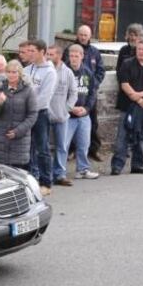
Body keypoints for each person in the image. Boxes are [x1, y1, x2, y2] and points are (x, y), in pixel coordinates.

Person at [0, 60, 40, 179]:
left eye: (14, 72)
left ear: (20, 73)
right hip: (1, 140)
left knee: (18, 177)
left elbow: (33, 115)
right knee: (1, 178)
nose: (11, 75)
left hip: (20, 140)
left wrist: (18, 131)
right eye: (9, 72)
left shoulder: (28, 90)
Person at [64, 25, 107, 162]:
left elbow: (101, 70)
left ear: (90, 36)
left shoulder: (95, 52)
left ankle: (93, 150)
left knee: (93, 123)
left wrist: (94, 85)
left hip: (88, 95)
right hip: (71, 96)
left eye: (85, 35)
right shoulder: (69, 50)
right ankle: (71, 151)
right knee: (69, 125)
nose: (83, 37)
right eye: (81, 34)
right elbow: (64, 68)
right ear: (77, 34)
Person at [23, 39, 57, 190]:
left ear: (42, 52)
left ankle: (46, 182)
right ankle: (29, 178)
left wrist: (29, 108)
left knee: (42, 148)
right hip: (25, 113)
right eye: (28, 50)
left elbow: (44, 98)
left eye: (32, 51)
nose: (29, 53)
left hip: (40, 114)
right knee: (26, 147)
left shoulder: (50, 72)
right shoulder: (26, 70)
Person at [111, 41, 143, 176]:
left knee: (141, 136)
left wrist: (140, 97)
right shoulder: (127, 63)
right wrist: (137, 98)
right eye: (139, 49)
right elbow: (124, 84)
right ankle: (117, 166)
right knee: (122, 136)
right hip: (127, 106)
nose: (141, 52)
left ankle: (137, 165)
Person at [66, 44, 100, 180]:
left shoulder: (87, 72)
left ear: (82, 56)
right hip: (68, 116)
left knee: (84, 144)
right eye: (71, 55)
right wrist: (70, 108)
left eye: (76, 56)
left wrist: (86, 109)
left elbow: (92, 93)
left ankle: (83, 170)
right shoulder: (64, 72)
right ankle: (59, 172)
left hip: (84, 115)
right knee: (64, 145)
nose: (73, 59)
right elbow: (58, 94)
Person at [47, 45, 77, 186]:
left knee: (62, 146)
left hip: (62, 116)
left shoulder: (68, 73)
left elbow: (73, 93)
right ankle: (46, 174)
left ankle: (60, 174)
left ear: (58, 55)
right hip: (46, 116)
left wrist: (67, 108)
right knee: (44, 146)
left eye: (51, 54)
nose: (48, 56)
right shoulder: (46, 70)